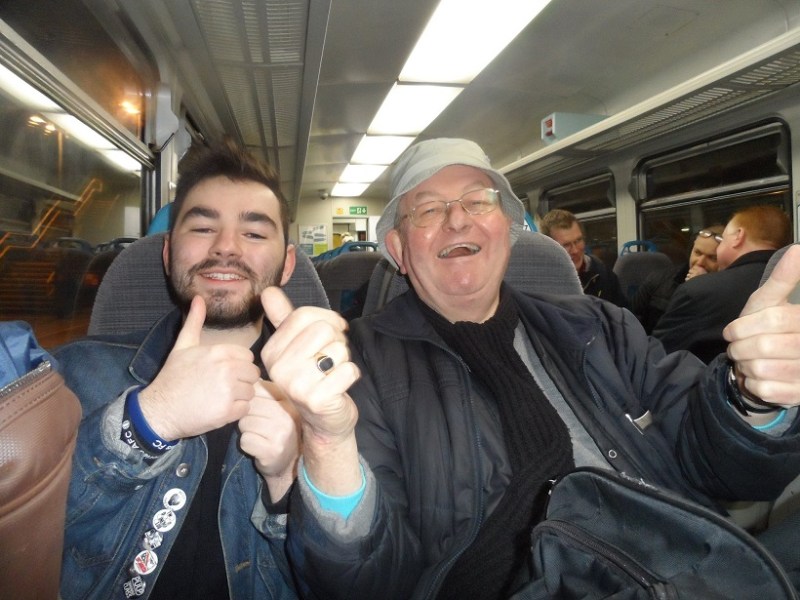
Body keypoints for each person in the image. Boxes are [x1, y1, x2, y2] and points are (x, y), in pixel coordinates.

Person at [263, 138, 800, 599]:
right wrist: (327, 442)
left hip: (684, 564)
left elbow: (719, 464)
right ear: (399, 251)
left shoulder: (600, 325)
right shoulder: (357, 367)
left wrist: (751, 397)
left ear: (508, 230)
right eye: (428, 209)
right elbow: (366, 582)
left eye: (479, 202)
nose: (457, 218)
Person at [52, 140, 347, 600]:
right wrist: (146, 422)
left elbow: (354, 582)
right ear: (168, 254)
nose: (226, 248)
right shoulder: (72, 376)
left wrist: (288, 484)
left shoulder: (331, 400)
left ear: (288, 263)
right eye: (204, 227)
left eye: (253, 233)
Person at [652, 205, 791, 362]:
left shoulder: (698, 291)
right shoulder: (793, 285)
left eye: (723, 239)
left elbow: (656, 360)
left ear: (738, 236)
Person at [631, 225, 724, 333]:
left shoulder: (726, 296)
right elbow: (631, 320)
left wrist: (700, 290)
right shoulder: (657, 281)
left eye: (712, 258)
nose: (700, 262)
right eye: (697, 253)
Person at [539, 208, 627, 306]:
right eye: (566, 245)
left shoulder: (603, 274)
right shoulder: (538, 286)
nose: (575, 250)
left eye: (578, 240)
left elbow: (623, 317)